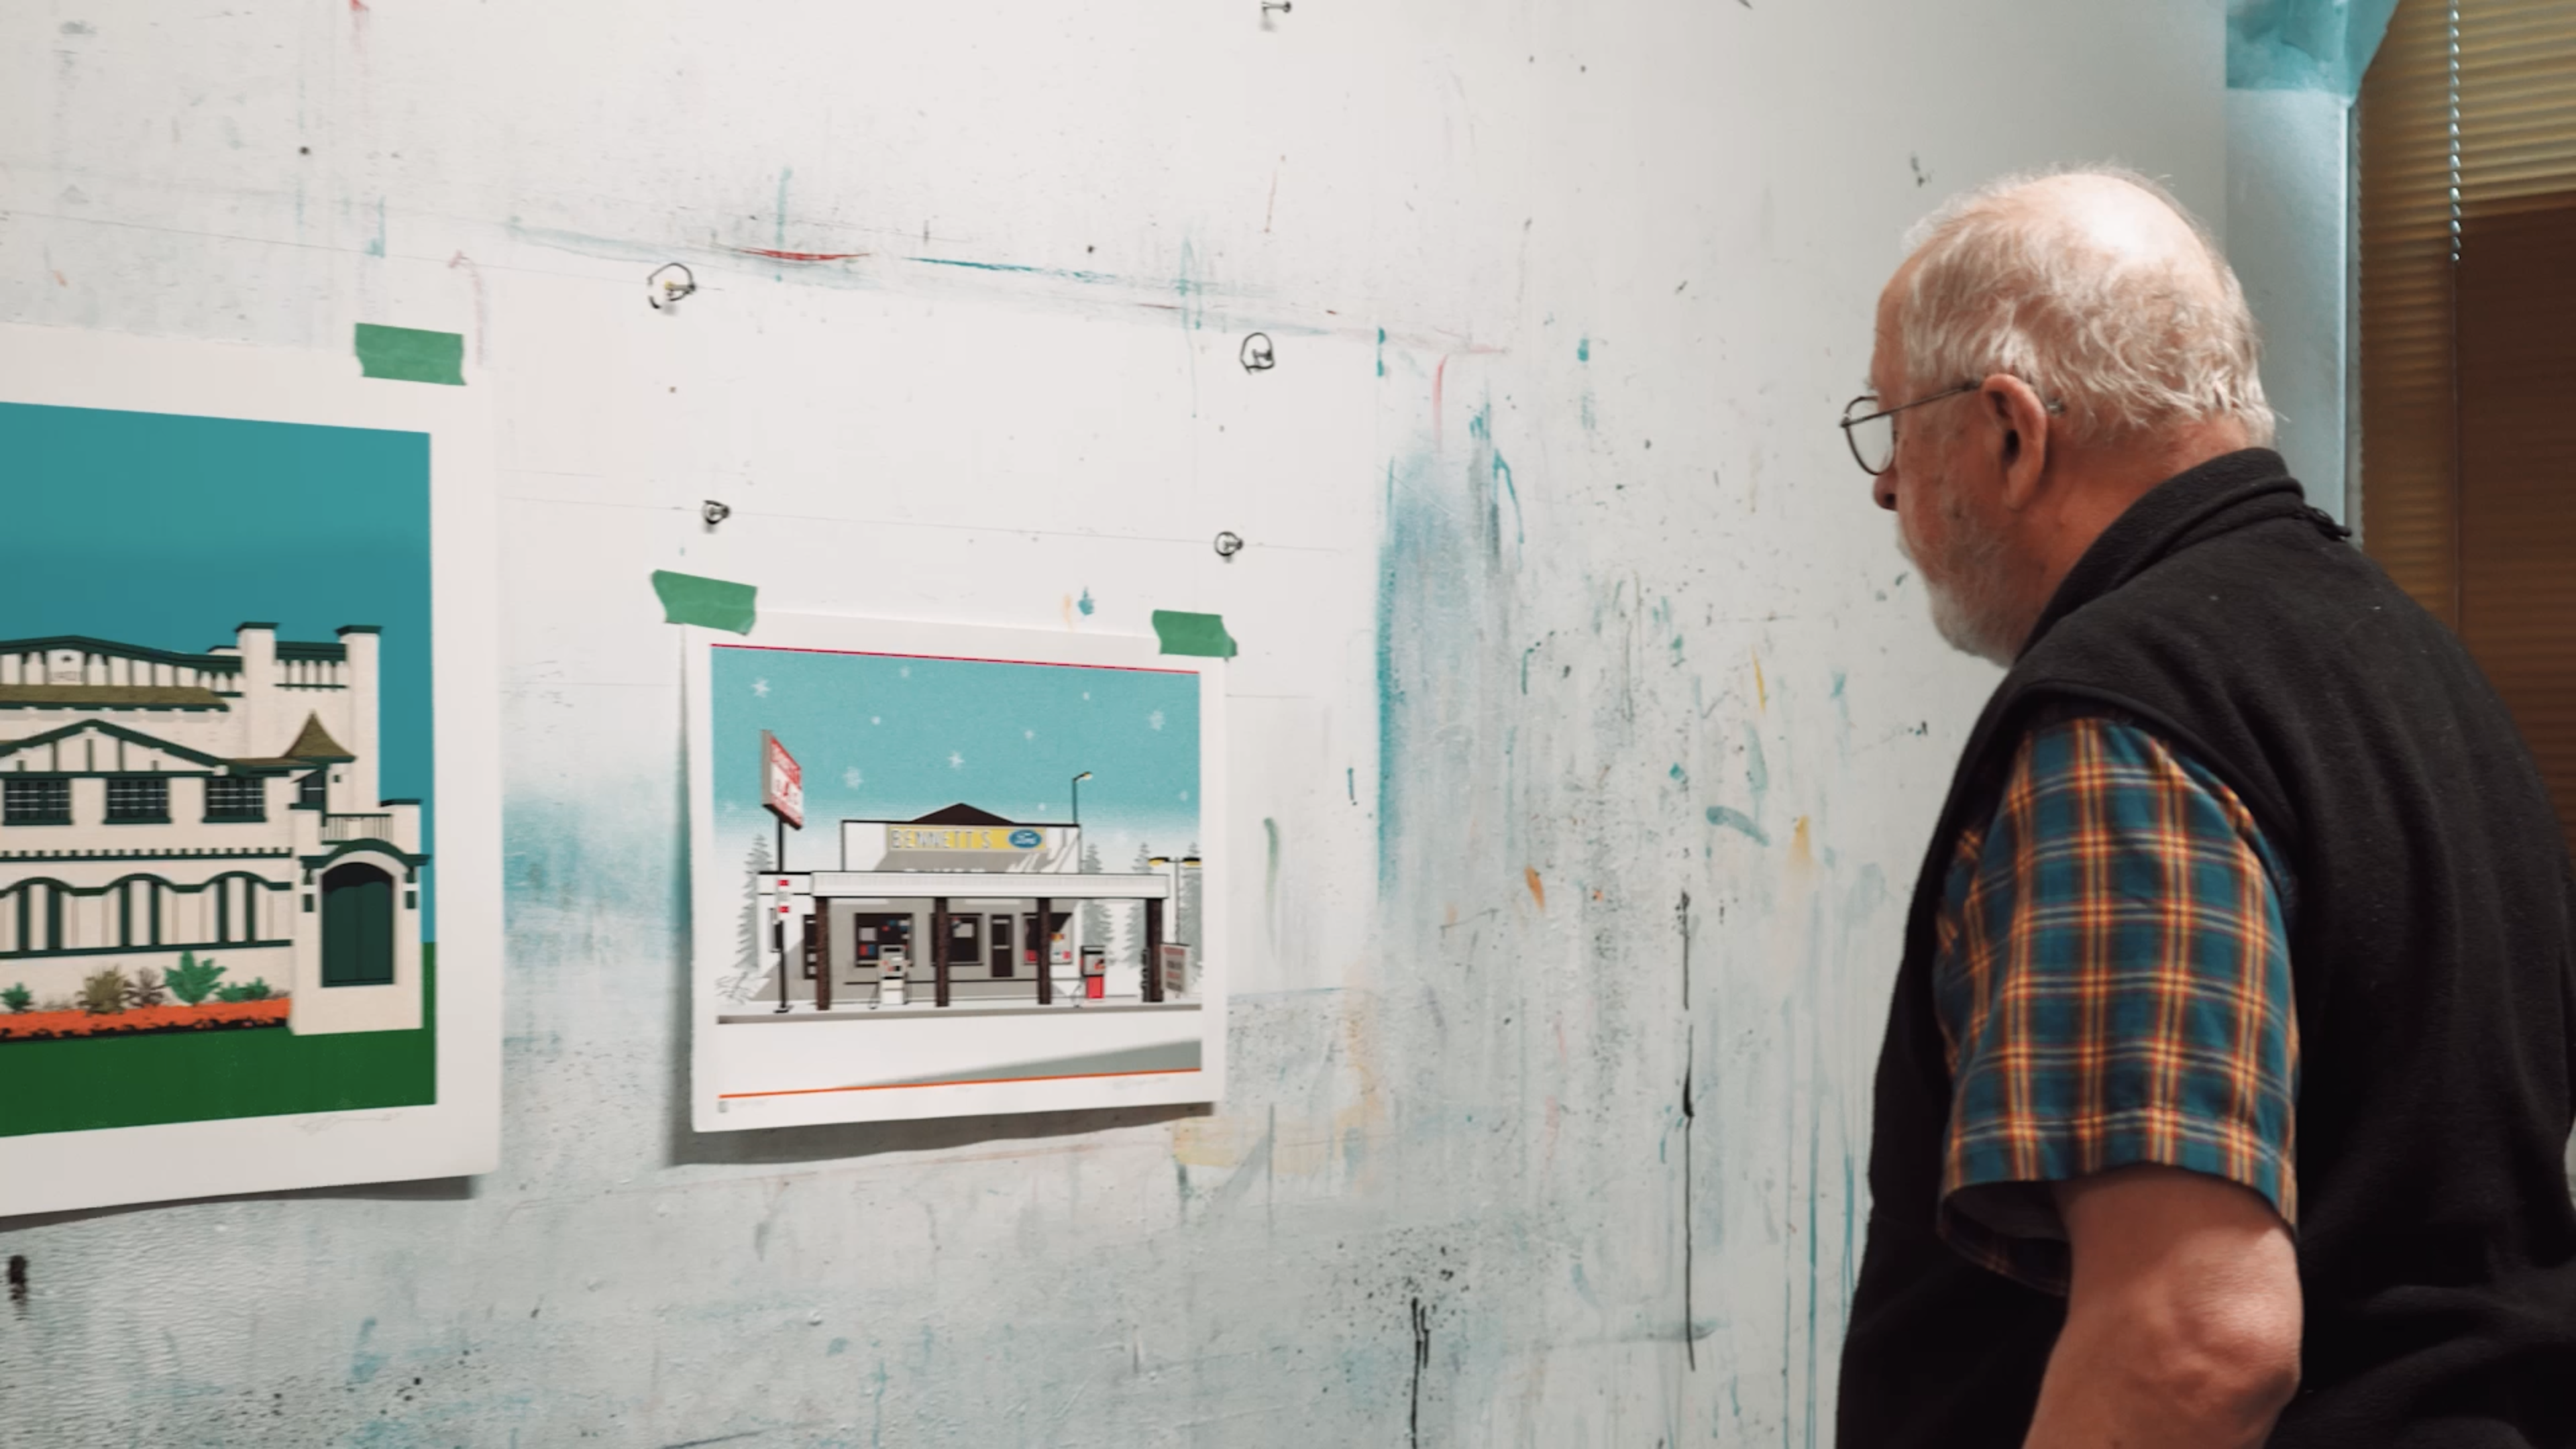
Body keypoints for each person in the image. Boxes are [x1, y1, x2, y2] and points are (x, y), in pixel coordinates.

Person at [1835, 168, 2576, 1448]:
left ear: (2011, 434)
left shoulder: (2131, 713)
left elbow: (2191, 1343)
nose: (1887, 487)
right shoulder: (2418, 665)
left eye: (1894, 427)